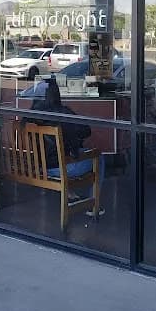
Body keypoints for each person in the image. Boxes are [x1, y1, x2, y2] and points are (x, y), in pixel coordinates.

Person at [29, 79, 105, 215]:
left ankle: (70, 195)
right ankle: (92, 204)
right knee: (98, 157)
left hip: (38, 165)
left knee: (67, 154)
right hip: (62, 167)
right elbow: (86, 131)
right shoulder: (62, 112)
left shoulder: (29, 116)